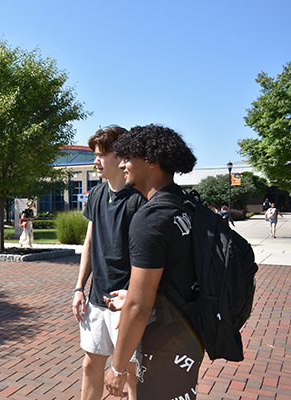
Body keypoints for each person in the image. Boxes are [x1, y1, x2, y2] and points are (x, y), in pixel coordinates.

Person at [104, 124, 203, 400]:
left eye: (128, 157)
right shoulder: (186, 205)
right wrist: (134, 292)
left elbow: (139, 307)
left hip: (163, 345)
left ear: (151, 162)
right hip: (190, 337)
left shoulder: (150, 219)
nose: (122, 164)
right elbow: (178, 272)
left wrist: (118, 366)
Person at [71, 126, 146, 400]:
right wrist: (79, 288)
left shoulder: (140, 200)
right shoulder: (96, 195)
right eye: (95, 154)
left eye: (102, 154)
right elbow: (90, 244)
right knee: (90, 364)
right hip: (96, 298)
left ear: (122, 157)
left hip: (125, 300)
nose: (96, 161)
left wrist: (133, 296)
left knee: (132, 374)